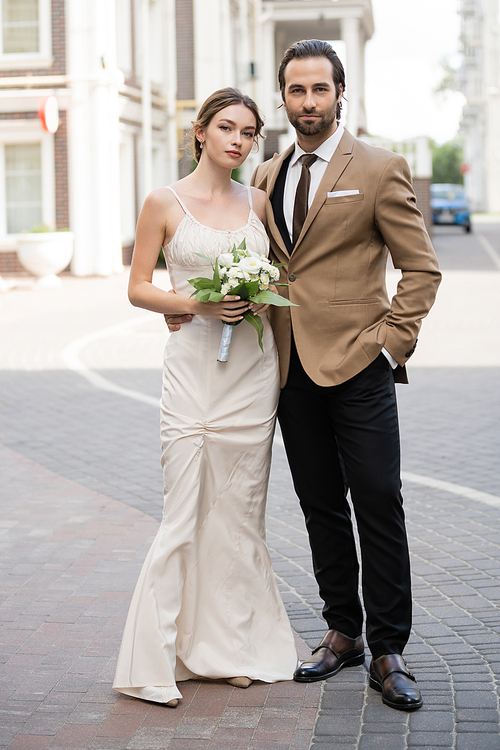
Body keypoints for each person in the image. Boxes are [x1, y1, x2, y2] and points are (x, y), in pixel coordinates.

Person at [167, 40, 441, 711]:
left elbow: (421, 268)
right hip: (285, 368)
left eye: (320, 90)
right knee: (319, 504)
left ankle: (389, 648)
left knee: (376, 498)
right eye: (296, 92)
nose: (308, 103)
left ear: (340, 93)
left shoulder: (379, 166)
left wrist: (389, 345)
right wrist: (194, 307)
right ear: (284, 98)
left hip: (360, 364)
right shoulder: (266, 175)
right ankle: (342, 631)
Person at [113, 87, 298, 707]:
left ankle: (227, 652)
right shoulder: (163, 201)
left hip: (251, 374)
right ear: (200, 131)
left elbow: (283, 277)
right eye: (226, 127)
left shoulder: (259, 202)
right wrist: (191, 304)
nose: (238, 140)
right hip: (193, 370)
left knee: (239, 515)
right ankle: (152, 663)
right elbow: (139, 287)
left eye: (248, 132)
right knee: (182, 512)